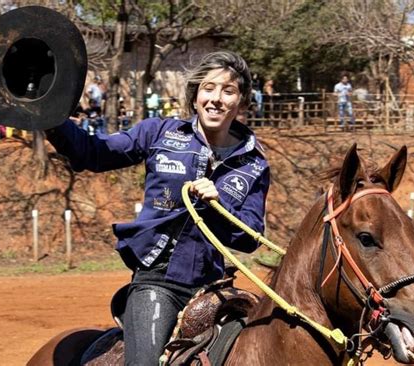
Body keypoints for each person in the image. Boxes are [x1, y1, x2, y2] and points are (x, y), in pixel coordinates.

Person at [45, 50, 270, 366]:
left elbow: (250, 236)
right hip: (157, 281)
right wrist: (49, 115)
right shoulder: (159, 133)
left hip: (214, 289)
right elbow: (92, 153)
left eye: (228, 90)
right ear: (195, 95)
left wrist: (220, 206)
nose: (216, 98)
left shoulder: (254, 164)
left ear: (241, 101)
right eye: (209, 88)